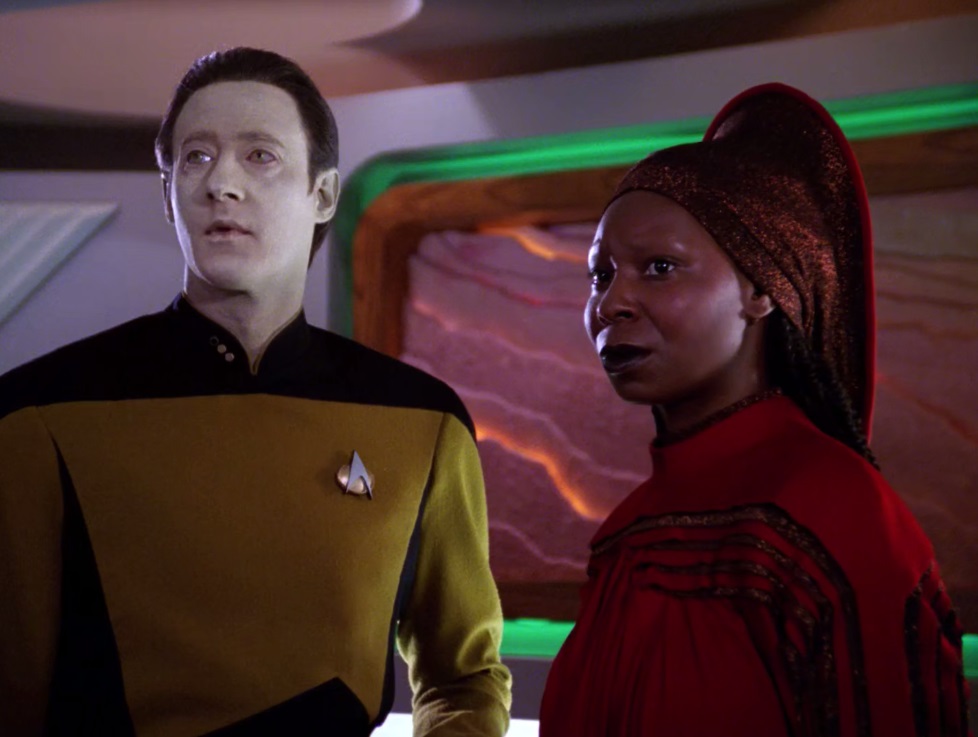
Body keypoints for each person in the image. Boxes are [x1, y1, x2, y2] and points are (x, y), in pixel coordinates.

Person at [0, 47, 511, 736]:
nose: (221, 183)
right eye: (196, 158)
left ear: (323, 194)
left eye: (259, 155)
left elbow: (464, 678)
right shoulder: (38, 415)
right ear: (169, 193)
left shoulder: (423, 420)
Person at [539, 83, 971, 736]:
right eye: (602, 274)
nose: (610, 304)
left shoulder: (834, 506)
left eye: (659, 267)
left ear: (763, 289)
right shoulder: (626, 529)